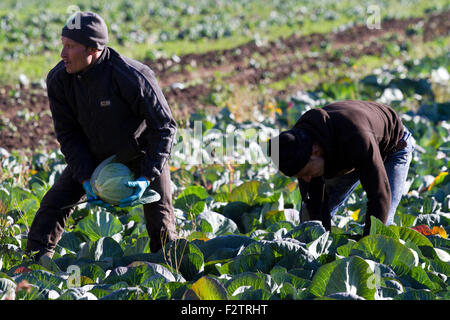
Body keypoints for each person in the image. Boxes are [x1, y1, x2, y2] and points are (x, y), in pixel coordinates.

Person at [26, 12, 178, 260]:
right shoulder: (59, 80)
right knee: (53, 206)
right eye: (62, 44)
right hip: (93, 154)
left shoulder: (132, 76)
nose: (62, 54)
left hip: (139, 153)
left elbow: (164, 126)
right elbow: (68, 135)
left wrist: (146, 176)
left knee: (161, 222)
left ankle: (169, 270)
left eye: (70, 46)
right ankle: (32, 265)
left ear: (93, 48)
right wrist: (86, 178)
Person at [269, 100, 415, 236]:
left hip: (393, 146)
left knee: (383, 219)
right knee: (313, 214)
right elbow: (315, 204)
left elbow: (379, 196)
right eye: (300, 176)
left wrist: (366, 246)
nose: (306, 179)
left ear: (315, 151)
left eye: (306, 173)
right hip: (344, 153)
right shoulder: (300, 143)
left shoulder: (356, 136)